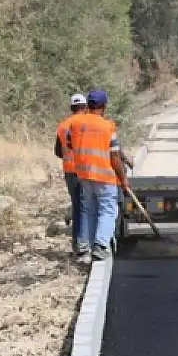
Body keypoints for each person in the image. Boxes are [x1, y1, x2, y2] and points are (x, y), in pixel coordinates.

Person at [70, 90, 129, 263]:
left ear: (88, 105)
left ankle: (89, 246)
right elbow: (115, 156)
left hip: (84, 174)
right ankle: (101, 245)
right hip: (104, 176)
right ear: (103, 106)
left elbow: (69, 145)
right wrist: (123, 179)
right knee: (108, 210)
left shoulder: (76, 124)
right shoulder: (107, 126)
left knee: (90, 210)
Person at [55, 93, 88, 253]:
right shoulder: (86, 123)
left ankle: (76, 244)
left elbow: (57, 151)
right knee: (85, 208)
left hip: (69, 171)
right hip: (85, 171)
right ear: (85, 107)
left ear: (71, 108)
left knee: (76, 207)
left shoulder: (62, 126)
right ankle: (84, 244)